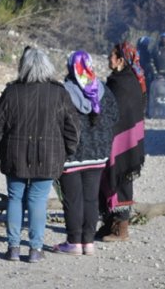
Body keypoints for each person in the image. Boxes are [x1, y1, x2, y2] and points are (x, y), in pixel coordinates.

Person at [0, 47, 80, 263]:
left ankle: (13, 248)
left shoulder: (12, 92)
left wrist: (2, 150)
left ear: (24, 67)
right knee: (38, 200)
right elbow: (73, 128)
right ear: (47, 67)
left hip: (15, 155)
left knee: (15, 197)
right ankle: (35, 250)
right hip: (48, 157)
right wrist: (66, 151)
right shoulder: (58, 93)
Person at [53, 51, 119, 256]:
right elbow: (114, 116)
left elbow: (56, 121)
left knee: (73, 199)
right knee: (91, 198)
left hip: (71, 155)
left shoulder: (63, 92)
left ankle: (74, 241)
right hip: (98, 154)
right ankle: (88, 242)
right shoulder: (103, 90)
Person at [98, 42, 146, 242]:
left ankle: (121, 227)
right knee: (108, 179)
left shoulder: (123, 83)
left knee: (122, 180)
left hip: (124, 142)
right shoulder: (121, 80)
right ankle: (109, 223)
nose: (109, 59)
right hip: (120, 139)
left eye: (112, 56)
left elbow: (117, 112)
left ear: (120, 60)